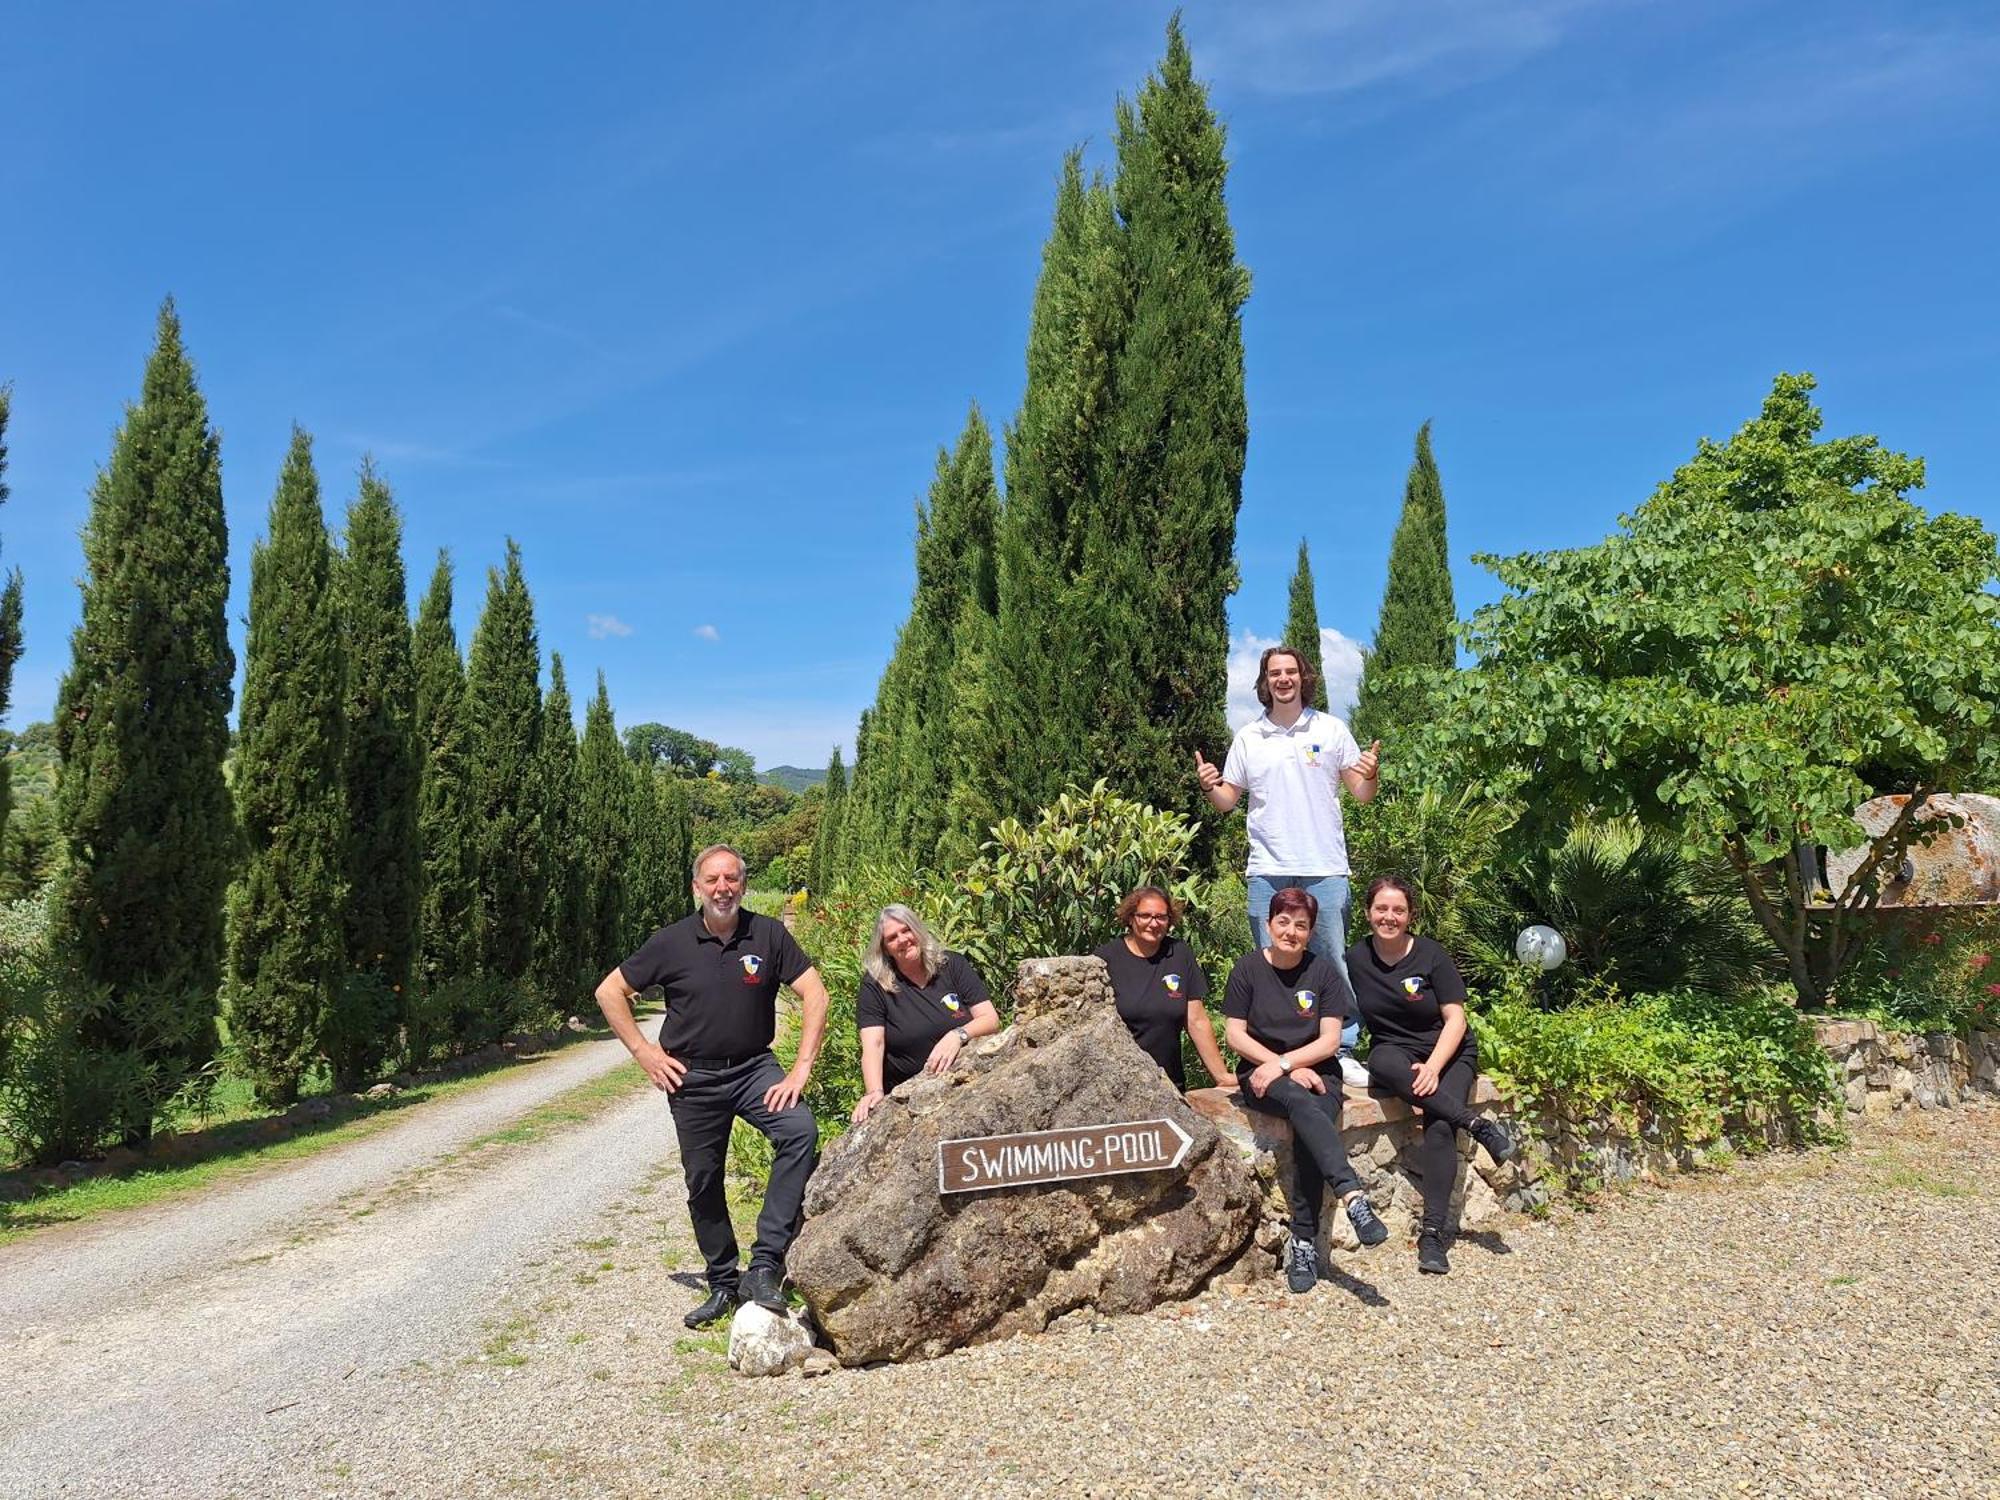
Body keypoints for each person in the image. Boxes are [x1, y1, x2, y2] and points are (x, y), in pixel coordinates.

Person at [594, 843, 830, 1327]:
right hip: (693, 1077)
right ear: (697, 888)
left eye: (732, 879)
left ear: (743, 884)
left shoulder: (767, 934)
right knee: (703, 1181)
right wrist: (646, 1053)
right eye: (713, 881)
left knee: (799, 1131)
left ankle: (765, 1266)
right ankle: (723, 1282)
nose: (723, 889)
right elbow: (609, 991)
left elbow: (815, 993)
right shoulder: (671, 941)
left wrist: (801, 1068)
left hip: (753, 1069)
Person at [1197, 643, 1380, 1087]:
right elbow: (1227, 802)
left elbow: (1362, 794)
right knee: (1272, 965)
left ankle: (1342, 1047)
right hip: (1267, 869)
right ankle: (1277, 1053)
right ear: (1265, 682)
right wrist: (1210, 785)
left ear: (1304, 678)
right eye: (1275, 673)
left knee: (1332, 959)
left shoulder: (1332, 730)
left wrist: (1371, 772)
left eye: (1291, 672)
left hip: (1325, 867)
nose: (1283, 679)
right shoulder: (1248, 737)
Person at [1344, 875, 1518, 1276]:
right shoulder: (1355, 958)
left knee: (1439, 1123)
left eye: (1398, 910)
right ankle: (1476, 1124)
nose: (1389, 917)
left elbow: (1456, 1018)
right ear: (1369, 912)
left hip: (1449, 1049)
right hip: (1396, 1051)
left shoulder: (1431, 955)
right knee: (1383, 1064)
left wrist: (1435, 1067)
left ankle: (1433, 1236)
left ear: (1410, 915)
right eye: (1381, 909)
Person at [1222, 886, 1389, 1293]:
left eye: (1301, 925)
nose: (1291, 932)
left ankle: (1302, 1241)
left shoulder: (1323, 973)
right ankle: (1352, 1196)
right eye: (1283, 922)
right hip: (1261, 1072)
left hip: (1317, 1073)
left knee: (1309, 1116)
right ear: (1268, 924)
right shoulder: (1247, 970)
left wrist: (1289, 1064)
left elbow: (1330, 1040)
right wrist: (1279, 1067)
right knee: (1301, 1102)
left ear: (1311, 932)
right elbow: (1235, 1035)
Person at [851, 904, 1001, 1123]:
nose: (902, 940)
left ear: (917, 930)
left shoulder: (952, 965)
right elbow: (873, 1044)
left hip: (969, 1084)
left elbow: (990, 1019)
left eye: (906, 930)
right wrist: (873, 1091)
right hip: (910, 1098)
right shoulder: (875, 984)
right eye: (892, 938)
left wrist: (957, 1035)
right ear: (885, 949)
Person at [1092, 886, 1233, 1092]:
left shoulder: (1179, 954)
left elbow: (1196, 1021)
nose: (1153, 923)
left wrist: (1221, 1076)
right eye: (1145, 916)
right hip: (1120, 1084)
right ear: (1131, 918)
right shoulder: (1106, 959)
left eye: (1161, 917)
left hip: (1169, 1083)